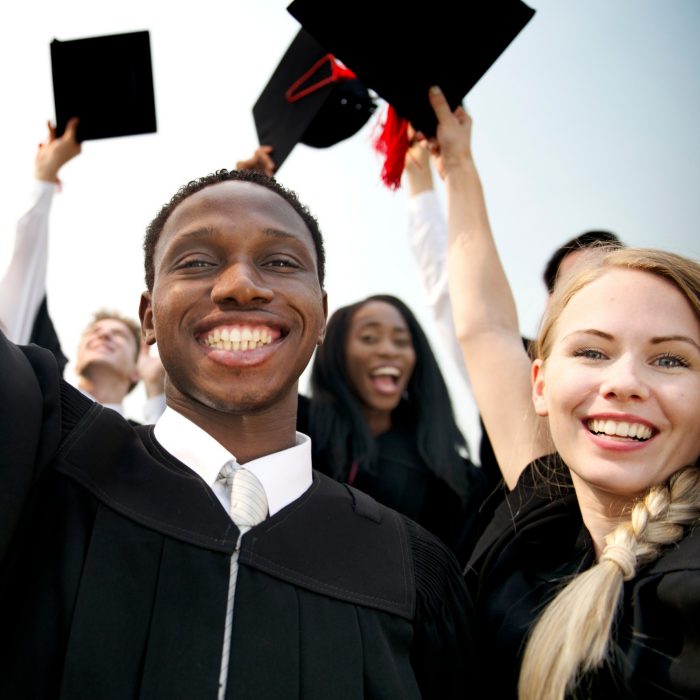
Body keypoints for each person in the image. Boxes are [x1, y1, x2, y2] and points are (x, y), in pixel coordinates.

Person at [0, 167, 475, 698]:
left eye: (279, 262)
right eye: (198, 261)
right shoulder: (48, 457)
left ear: (320, 315)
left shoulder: (411, 571)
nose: (241, 286)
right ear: (149, 318)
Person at [428, 84, 700, 698]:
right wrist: (458, 166)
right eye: (592, 351)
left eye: (669, 359)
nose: (624, 383)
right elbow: (486, 326)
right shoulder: (543, 519)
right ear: (541, 383)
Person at [298, 293, 491, 565]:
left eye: (401, 341)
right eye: (369, 338)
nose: (389, 350)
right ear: (337, 353)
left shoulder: (451, 478)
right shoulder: (295, 433)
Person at [0, 119, 165, 422]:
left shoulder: (144, 440)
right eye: (94, 332)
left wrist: (156, 388)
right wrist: (44, 178)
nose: (102, 335)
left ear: (134, 371)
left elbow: (181, 465)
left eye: (118, 335)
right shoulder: (34, 390)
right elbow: (24, 279)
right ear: (74, 361)